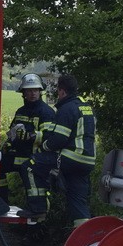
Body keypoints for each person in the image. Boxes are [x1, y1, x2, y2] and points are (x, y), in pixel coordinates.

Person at [20, 74, 97, 227]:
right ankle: (84, 239)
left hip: (70, 157)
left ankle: (38, 209)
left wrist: (44, 148)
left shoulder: (66, 108)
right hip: (87, 161)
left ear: (61, 91)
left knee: (29, 166)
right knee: (77, 199)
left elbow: (59, 139)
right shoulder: (86, 107)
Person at [0, 73, 56, 205]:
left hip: (35, 157)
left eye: (36, 90)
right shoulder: (20, 111)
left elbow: (49, 136)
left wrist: (30, 136)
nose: (33, 93)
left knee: (32, 184)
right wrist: (8, 144)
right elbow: (12, 132)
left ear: (40, 91)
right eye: (29, 90)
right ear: (23, 93)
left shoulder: (46, 112)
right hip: (18, 156)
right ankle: (1, 202)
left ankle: (35, 211)